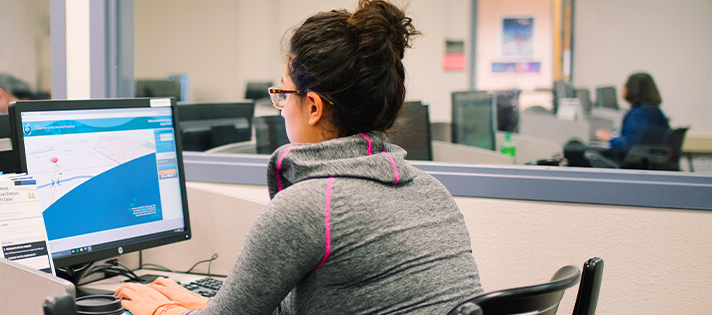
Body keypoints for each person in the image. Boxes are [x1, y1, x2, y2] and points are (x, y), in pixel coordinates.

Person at [113, 1, 483, 314]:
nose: (279, 108)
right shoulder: (433, 192)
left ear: (314, 107)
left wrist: (159, 309)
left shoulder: (310, 206)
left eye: (283, 94)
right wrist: (207, 306)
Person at [594, 72, 670, 159]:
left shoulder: (637, 114)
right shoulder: (656, 112)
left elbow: (629, 145)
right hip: (648, 162)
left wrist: (609, 138)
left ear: (633, 89)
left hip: (632, 163)